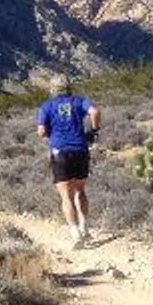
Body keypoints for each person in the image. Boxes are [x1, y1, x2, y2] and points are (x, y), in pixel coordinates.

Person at [36, 74, 100, 246]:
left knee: (66, 195)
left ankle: (74, 232)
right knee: (80, 190)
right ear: (69, 87)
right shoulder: (79, 101)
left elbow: (41, 132)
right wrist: (94, 132)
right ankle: (84, 227)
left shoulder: (46, 106)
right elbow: (94, 112)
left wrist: (51, 132)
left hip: (60, 152)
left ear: (52, 89)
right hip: (80, 149)